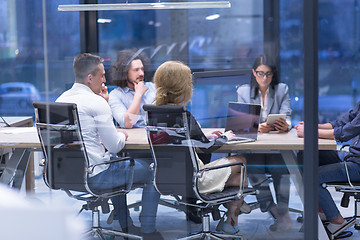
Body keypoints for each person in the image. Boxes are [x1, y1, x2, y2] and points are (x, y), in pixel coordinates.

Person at [56, 53, 162, 240]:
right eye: (102, 75)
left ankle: (126, 226)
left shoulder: (59, 101)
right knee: (154, 170)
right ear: (90, 78)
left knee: (115, 164)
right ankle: (148, 232)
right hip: (96, 176)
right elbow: (114, 146)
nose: (105, 80)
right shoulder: (96, 102)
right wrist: (119, 134)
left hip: (64, 175)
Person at [152, 60, 249, 235]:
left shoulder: (153, 112)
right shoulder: (182, 115)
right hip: (195, 179)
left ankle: (229, 216)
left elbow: (187, 141)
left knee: (236, 178)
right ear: (182, 86)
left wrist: (204, 136)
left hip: (166, 179)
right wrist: (225, 137)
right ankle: (231, 219)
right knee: (240, 163)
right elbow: (206, 148)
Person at [236, 54, 293, 231]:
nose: (264, 78)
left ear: (273, 74)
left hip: (276, 145)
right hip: (255, 146)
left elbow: (288, 116)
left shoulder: (282, 89)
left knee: (282, 171)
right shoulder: (243, 91)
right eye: (261, 73)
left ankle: (283, 212)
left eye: (268, 74)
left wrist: (285, 126)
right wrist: (256, 127)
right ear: (254, 73)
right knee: (254, 171)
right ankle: (275, 211)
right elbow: (241, 122)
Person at [295, 104, 360, 234]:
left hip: (357, 164)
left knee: (312, 176)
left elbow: (345, 132)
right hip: (352, 156)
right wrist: (314, 126)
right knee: (306, 155)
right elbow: (341, 122)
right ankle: (322, 211)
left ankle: (337, 221)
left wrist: (310, 132)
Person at [109, 49, 156, 128]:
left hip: (155, 136)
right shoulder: (115, 95)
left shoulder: (153, 88)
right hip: (133, 138)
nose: (141, 73)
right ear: (125, 72)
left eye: (142, 69)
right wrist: (138, 94)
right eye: (136, 70)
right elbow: (128, 123)